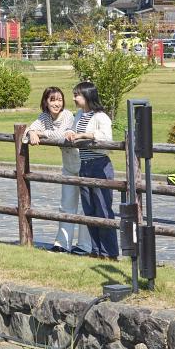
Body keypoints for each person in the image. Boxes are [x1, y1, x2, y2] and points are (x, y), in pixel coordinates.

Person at [26, 86, 89, 254]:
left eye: (59, 99)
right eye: (52, 100)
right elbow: (28, 130)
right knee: (66, 204)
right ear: (45, 102)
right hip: (68, 164)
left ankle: (84, 246)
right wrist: (32, 131)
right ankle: (62, 244)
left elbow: (62, 135)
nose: (56, 103)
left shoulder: (68, 115)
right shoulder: (45, 117)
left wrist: (41, 134)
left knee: (85, 206)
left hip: (83, 163)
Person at [63, 80, 118, 260]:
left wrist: (84, 135)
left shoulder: (100, 116)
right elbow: (72, 130)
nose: (74, 98)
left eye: (77, 95)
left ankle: (109, 252)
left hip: (100, 164)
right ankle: (96, 250)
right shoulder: (79, 115)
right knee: (89, 210)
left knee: (103, 209)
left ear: (87, 96)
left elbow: (106, 137)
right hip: (84, 165)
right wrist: (70, 133)